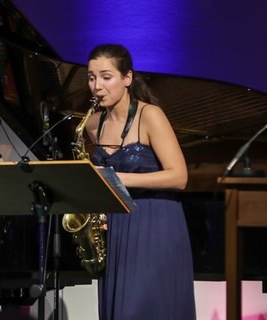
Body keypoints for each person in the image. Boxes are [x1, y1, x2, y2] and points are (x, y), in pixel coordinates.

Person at [84, 44, 196, 319]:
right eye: (91, 77)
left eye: (106, 77)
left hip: (155, 224)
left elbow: (179, 177)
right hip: (118, 226)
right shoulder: (91, 124)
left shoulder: (150, 116)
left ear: (127, 78)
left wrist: (115, 178)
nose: (97, 86)